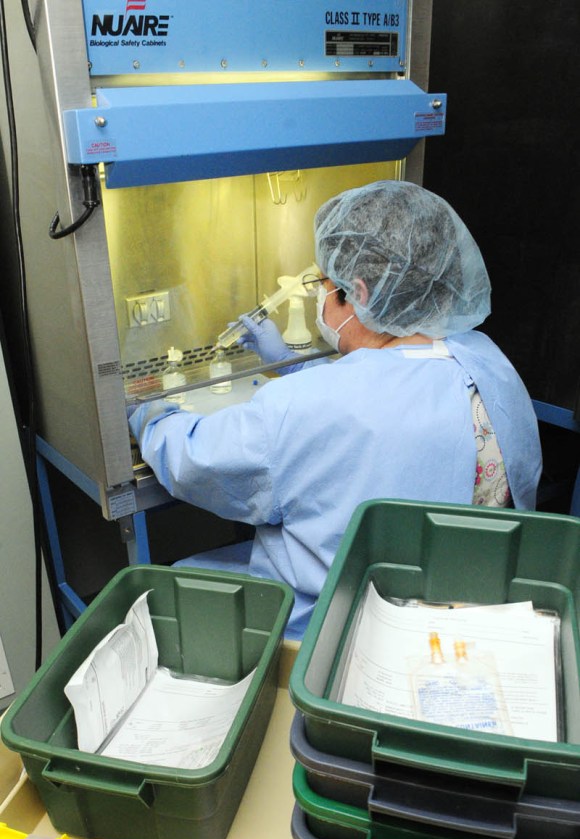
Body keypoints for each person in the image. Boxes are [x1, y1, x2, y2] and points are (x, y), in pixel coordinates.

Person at [129, 180, 541, 640]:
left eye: (323, 286)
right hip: (465, 605)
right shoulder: (490, 362)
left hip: (335, 630)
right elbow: (384, 391)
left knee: (177, 577)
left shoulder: (305, 407)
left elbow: (195, 461)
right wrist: (288, 367)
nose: (320, 300)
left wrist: (148, 411)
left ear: (359, 293)